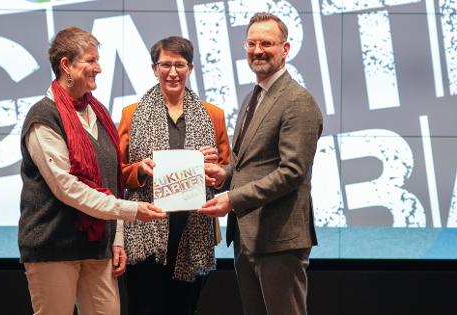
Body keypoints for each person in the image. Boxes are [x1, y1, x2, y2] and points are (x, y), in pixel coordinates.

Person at [18, 27, 166, 315]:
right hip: (53, 246)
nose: (98, 68)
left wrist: (117, 239)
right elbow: (66, 187)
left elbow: (110, 181)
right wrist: (131, 210)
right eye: (90, 60)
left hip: (97, 246)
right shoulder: (43, 116)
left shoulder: (97, 113)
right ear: (66, 65)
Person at [199, 13, 323, 315]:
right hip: (249, 236)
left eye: (267, 43)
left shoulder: (298, 101)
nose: (257, 50)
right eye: (251, 43)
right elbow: (248, 163)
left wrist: (232, 198)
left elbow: (292, 172)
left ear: (286, 48)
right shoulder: (254, 96)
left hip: (279, 239)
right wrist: (224, 175)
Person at [117, 36, 231, 315]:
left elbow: (228, 171)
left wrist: (217, 171)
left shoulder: (213, 114)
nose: (172, 72)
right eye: (165, 64)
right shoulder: (131, 114)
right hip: (146, 228)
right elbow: (118, 173)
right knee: (144, 307)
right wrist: (140, 170)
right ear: (154, 68)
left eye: (179, 64)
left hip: (192, 230)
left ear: (190, 68)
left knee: (184, 308)